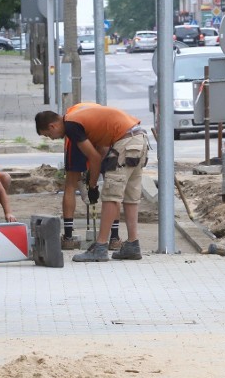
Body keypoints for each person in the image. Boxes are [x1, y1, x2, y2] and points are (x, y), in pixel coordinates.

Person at [35, 104, 148, 262]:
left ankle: (100, 247)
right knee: (130, 196)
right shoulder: (79, 119)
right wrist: (94, 179)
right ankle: (132, 244)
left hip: (126, 142)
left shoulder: (71, 126)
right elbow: (101, 150)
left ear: (52, 126)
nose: (52, 138)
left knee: (111, 196)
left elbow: (94, 158)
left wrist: (93, 186)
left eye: (48, 135)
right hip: (138, 138)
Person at [60, 102, 122, 251]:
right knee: (112, 183)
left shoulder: (70, 121)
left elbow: (87, 159)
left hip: (80, 135)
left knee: (70, 183)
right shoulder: (97, 112)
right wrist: (91, 181)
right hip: (103, 135)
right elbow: (96, 157)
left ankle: (68, 238)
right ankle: (114, 238)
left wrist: (85, 181)